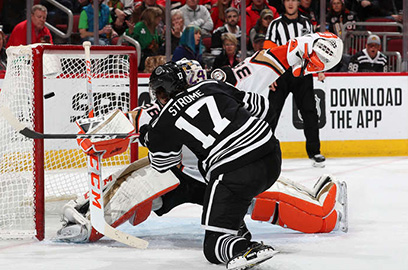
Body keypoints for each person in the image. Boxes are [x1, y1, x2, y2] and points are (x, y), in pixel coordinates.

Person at [54, 34, 347, 253]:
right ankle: (90, 213)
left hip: (220, 171)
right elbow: (275, 62)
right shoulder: (216, 86)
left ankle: (88, 217)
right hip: (204, 172)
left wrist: (116, 133)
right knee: (145, 185)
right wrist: (304, 48)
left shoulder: (169, 108)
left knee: (288, 208)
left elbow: (139, 138)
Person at [264, 0, 326, 168]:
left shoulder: (306, 23)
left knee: (310, 112)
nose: (290, 3)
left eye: (294, 0)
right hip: (281, 74)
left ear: (298, 2)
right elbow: (268, 51)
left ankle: (315, 152)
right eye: (287, 0)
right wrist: (270, 76)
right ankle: (263, 152)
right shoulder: (275, 25)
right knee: (271, 114)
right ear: (283, 3)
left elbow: (313, 49)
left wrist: (319, 69)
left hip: (303, 74)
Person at [126, 6, 163, 71]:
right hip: (141, 56)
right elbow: (129, 39)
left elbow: (158, 43)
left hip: (152, 56)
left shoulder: (154, 28)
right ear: (151, 18)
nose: (160, 18)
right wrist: (130, 32)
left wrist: (163, 36)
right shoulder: (139, 26)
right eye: (158, 17)